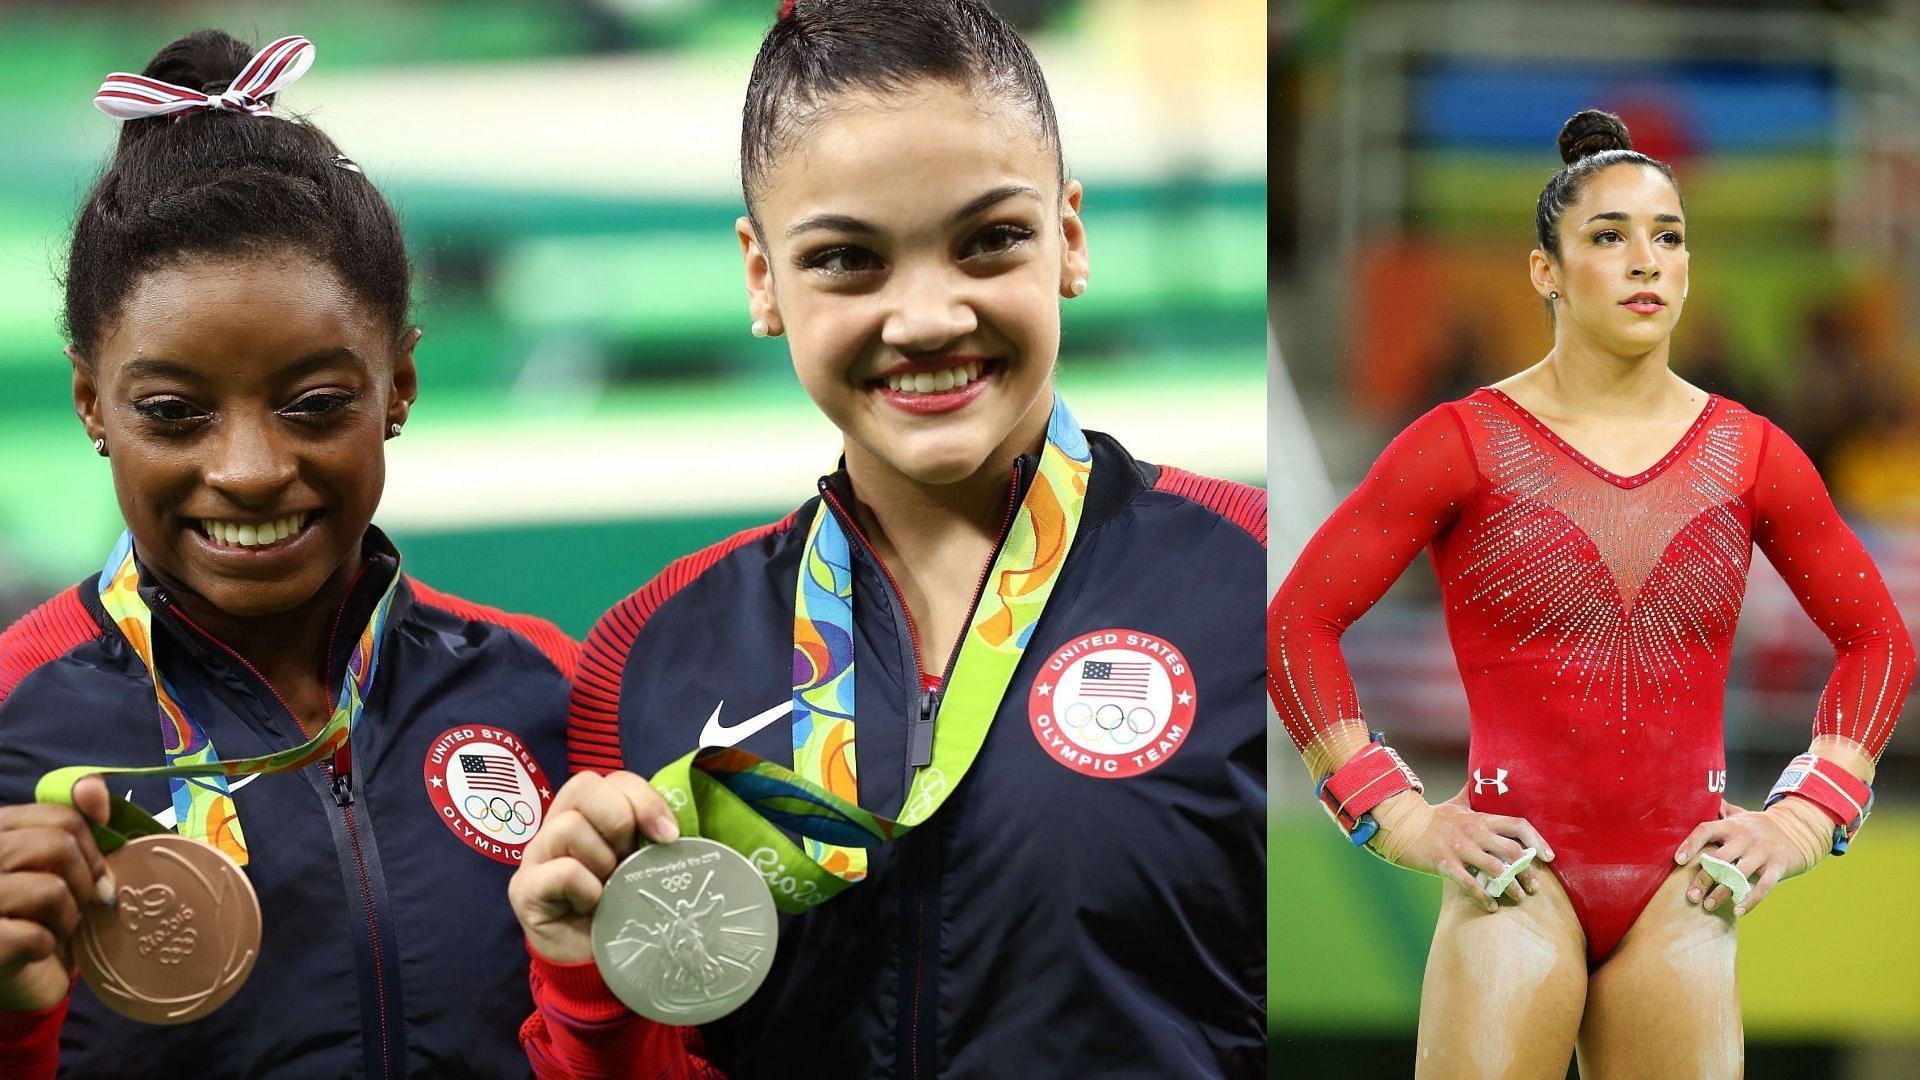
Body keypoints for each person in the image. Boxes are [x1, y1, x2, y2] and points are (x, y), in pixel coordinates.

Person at [508, 1, 1268, 1075]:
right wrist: (594, 994)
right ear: (763, 277)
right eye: (848, 260)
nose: (925, 318)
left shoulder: (1256, 581)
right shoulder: (650, 653)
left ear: (1072, 238)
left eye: (991, 240)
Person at [1268, 109, 1916, 1078]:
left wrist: (1803, 815)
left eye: (1668, 237)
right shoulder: (1461, 444)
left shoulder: (1752, 455)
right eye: (1609, 237)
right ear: (1546, 270)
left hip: (1682, 897)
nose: (1646, 261)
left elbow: (1879, 640)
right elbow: (1296, 627)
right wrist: (1393, 813)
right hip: (1513, 890)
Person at [0, 30, 577, 1076]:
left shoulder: (549, 692)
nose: (253, 469)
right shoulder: (11, 718)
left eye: (315, 405)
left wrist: (598, 1000)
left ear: (397, 385)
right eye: (175, 414)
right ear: (92, 403)